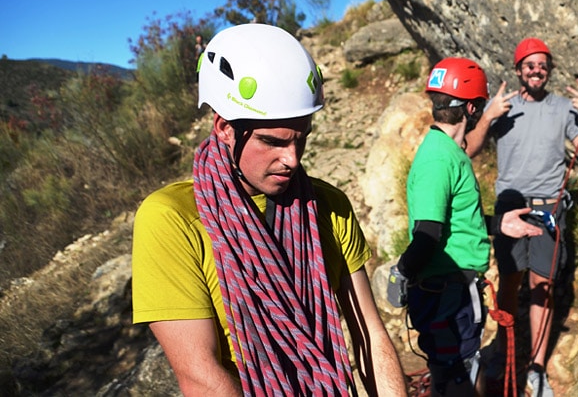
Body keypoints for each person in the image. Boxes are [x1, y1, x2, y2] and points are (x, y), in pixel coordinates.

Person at [132, 24, 406, 396]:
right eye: (271, 141)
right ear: (225, 127)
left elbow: (370, 333)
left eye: (301, 139)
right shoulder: (172, 220)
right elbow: (200, 374)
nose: (292, 160)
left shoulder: (328, 206)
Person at [394, 57, 542, 396]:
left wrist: (498, 223)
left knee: (462, 367)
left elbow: (449, 221)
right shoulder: (438, 157)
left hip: (451, 288)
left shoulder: (447, 151)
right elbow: (428, 234)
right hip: (448, 290)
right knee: (455, 376)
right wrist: (402, 271)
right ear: (473, 107)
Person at [465, 37, 578, 396]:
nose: (536, 70)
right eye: (529, 64)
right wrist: (488, 117)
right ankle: (504, 351)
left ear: (549, 70)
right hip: (511, 207)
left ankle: (537, 367)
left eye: (542, 64)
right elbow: (469, 150)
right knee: (509, 283)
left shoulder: (562, 108)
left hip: (548, 208)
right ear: (518, 70)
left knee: (542, 286)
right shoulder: (504, 108)